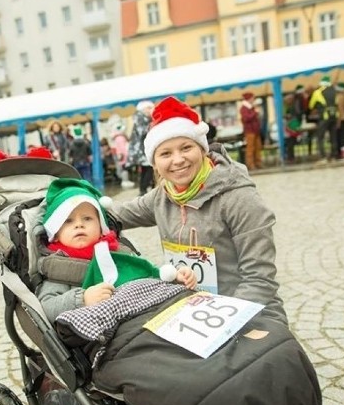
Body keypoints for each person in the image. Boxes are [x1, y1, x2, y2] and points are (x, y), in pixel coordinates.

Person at [108, 96, 287, 324]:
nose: (178, 160)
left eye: (186, 148)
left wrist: (221, 321)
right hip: (192, 311)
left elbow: (260, 279)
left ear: (202, 149)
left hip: (247, 312)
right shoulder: (163, 195)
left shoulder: (238, 197)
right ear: (154, 163)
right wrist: (66, 210)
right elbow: (115, 214)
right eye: (165, 154)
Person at [35, 177, 196, 322]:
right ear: (55, 234)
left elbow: (146, 273)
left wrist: (175, 276)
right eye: (68, 221)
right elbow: (46, 306)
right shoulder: (58, 266)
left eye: (87, 218)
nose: (79, 224)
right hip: (107, 331)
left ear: (101, 227)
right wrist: (82, 298)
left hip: (147, 313)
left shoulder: (117, 250)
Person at [126, 100, 156, 195]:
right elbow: (143, 132)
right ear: (144, 109)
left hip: (141, 149)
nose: (151, 110)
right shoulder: (141, 118)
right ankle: (143, 190)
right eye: (149, 108)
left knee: (145, 170)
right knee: (148, 169)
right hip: (141, 150)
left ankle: (143, 189)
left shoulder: (141, 117)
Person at [308, 76, 339, 163]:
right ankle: (334, 157)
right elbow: (337, 103)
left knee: (320, 137)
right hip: (334, 115)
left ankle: (323, 157)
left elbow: (311, 105)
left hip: (324, 116)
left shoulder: (318, 92)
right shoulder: (334, 91)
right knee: (333, 137)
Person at [240, 92, 262, 170]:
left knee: (257, 148)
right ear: (249, 99)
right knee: (250, 148)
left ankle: (258, 163)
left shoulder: (251, 108)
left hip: (255, 131)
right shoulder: (244, 108)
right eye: (252, 98)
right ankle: (250, 164)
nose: (253, 99)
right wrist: (255, 113)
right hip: (250, 131)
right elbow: (246, 118)